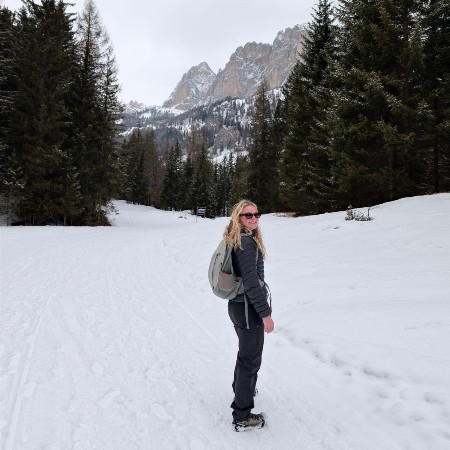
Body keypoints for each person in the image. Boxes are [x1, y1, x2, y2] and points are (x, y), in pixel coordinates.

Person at [223, 199, 274, 431]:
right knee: (250, 360)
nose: (253, 218)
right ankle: (242, 415)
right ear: (238, 218)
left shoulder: (236, 238)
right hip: (247, 308)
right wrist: (265, 314)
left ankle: (242, 389)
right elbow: (252, 284)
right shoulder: (246, 242)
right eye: (248, 215)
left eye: (256, 214)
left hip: (238, 306)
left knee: (246, 355)